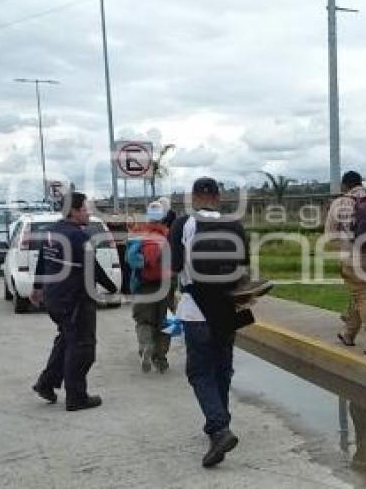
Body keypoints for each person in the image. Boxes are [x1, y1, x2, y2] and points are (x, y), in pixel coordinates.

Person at [168, 177, 254, 468]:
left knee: (200, 372)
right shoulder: (235, 224)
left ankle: (219, 428)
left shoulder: (183, 224)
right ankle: (219, 423)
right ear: (218, 198)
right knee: (222, 368)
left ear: (194, 198)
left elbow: (175, 266)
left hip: (195, 309)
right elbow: (244, 267)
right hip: (227, 309)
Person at [30, 192, 119, 411]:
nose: (89, 213)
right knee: (82, 347)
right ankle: (76, 397)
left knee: (66, 341)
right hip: (75, 300)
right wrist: (113, 288)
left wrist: (37, 287)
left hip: (55, 298)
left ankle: (46, 383)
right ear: (74, 211)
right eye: (86, 209)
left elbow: (42, 260)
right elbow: (94, 268)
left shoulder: (52, 232)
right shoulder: (79, 237)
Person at [327, 170, 366, 357]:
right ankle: (348, 335)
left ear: (345, 185)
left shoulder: (340, 203)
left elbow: (330, 234)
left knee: (362, 297)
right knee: (359, 295)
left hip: (354, 257)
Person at [129, 201, 173, 374]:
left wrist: (145, 264)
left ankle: (146, 346)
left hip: (144, 285)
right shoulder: (168, 234)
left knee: (144, 320)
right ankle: (160, 359)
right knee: (165, 322)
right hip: (166, 284)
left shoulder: (138, 233)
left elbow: (131, 260)